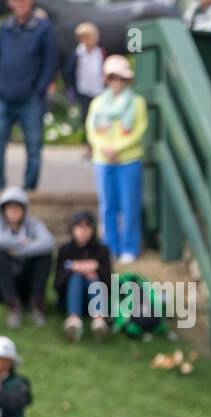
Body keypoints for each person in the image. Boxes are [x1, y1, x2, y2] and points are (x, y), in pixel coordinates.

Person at [0, 0, 58, 192]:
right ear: (10, 4)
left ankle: (29, 189)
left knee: (33, 147)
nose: (20, 3)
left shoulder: (44, 29)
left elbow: (51, 62)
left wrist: (39, 89)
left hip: (31, 99)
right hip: (4, 97)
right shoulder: (4, 28)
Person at [85, 55, 146, 265]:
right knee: (107, 205)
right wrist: (103, 148)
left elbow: (139, 130)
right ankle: (110, 246)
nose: (116, 82)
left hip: (128, 159)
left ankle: (130, 246)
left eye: (120, 78)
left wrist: (118, 148)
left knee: (129, 205)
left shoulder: (137, 103)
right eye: (112, 78)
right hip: (103, 160)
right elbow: (92, 130)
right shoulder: (98, 103)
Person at [0, 186, 54, 330]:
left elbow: (48, 243)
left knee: (44, 256)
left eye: (18, 207)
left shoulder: (34, 224)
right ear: (2, 209)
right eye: (10, 207)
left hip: (22, 281)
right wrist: (26, 244)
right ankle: (13, 306)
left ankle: (36, 305)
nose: (14, 210)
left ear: (24, 209)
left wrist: (19, 251)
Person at [53, 210, 113, 342]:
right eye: (79, 226)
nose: (83, 231)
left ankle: (99, 320)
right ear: (73, 229)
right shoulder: (65, 250)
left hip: (96, 297)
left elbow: (110, 285)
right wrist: (74, 269)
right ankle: (73, 320)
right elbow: (57, 285)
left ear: (93, 229)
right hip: (68, 299)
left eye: (87, 226)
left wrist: (96, 269)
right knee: (77, 278)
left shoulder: (102, 251)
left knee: (92, 277)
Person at [62, 22, 106, 127]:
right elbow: (67, 73)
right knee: (85, 117)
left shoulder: (101, 52)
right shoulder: (77, 54)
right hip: (83, 91)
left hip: (99, 90)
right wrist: (71, 89)